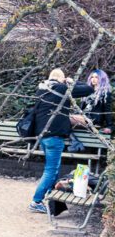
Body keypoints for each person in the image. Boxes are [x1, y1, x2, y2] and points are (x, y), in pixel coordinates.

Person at [28, 69, 93, 213]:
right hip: (54, 137)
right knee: (50, 171)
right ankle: (36, 201)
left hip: (43, 136)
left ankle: (54, 204)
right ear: (61, 79)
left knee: (53, 170)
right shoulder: (62, 88)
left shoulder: (41, 90)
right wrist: (71, 82)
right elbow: (88, 89)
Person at [80, 69, 112, 134]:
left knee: (69, 118)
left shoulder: (105, 93)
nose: (93, 79)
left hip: (93, 120)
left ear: (102, 79)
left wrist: (110, 126)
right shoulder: (87, 91)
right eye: (92, 77)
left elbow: (107, 110)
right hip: (83, 117)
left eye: (96, 77)